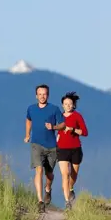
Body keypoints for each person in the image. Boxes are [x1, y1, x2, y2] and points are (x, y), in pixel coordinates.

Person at [25, 84, 65, 212]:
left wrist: (53, 127)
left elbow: (63, 124)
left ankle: (48, 189)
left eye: (44, 94)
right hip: (36, 144)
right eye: (40, 94)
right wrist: (27, 135)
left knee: (49, 174)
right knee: (39, 170)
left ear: (48, 95)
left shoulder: (54, 109)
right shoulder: (31, 109)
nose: (42, 96)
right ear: (36, 95)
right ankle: (40, 201)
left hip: (52, 146)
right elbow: (28, 120)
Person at [56, 91, 88, 210]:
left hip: (75, 148)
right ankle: (67, 201)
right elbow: (54, 128)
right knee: (65, 174)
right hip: (62, 149)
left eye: (70, 104)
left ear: (73, 105)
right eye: (66, 104)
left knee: (73, 175)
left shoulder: (77, 116)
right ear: (62, 105)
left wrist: (72, 129)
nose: (68, 106)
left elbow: (84, 132)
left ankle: (70, 188)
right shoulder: (59, 116)